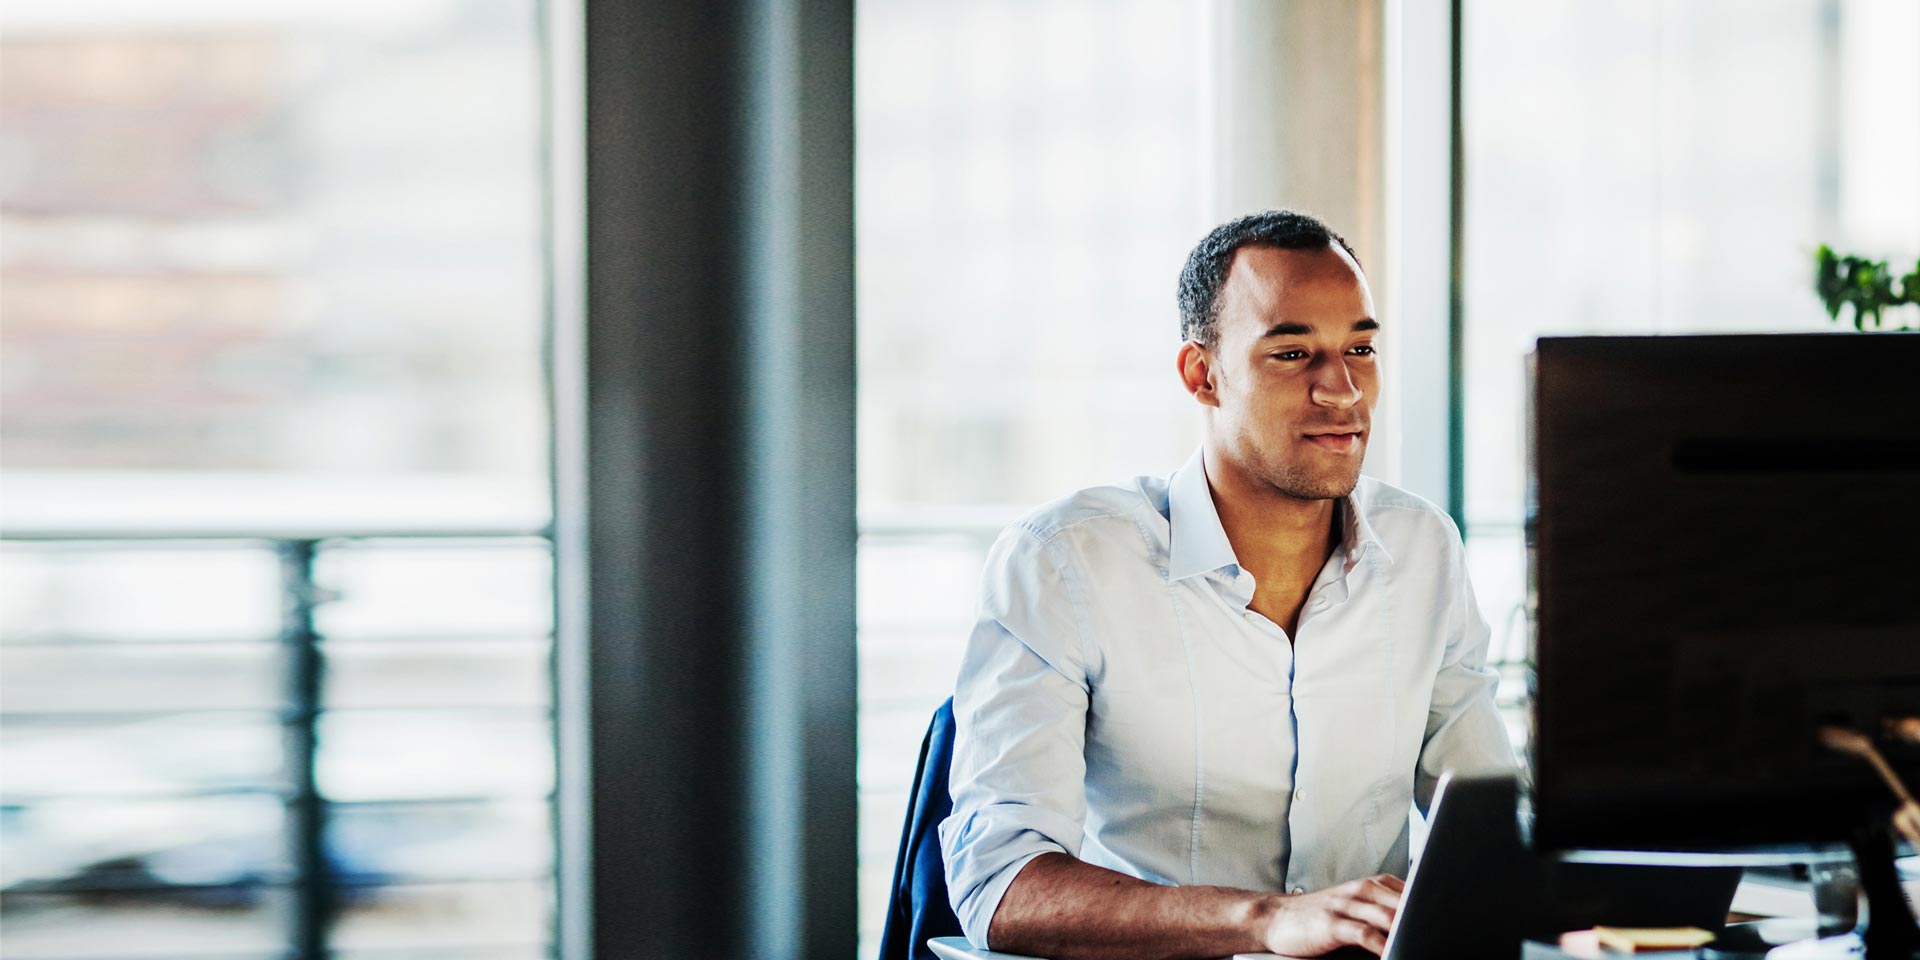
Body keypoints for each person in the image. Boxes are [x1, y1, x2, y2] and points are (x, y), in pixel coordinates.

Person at [937, 211, 1516, 960]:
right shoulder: (1064, 563)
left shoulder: (1422, 548)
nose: (1342, 389)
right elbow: (1002, 883)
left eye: (1361, 349)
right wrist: (1266, 921)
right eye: (1292, 352)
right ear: (1202, 374)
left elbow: (1490, 822)